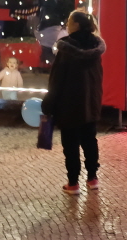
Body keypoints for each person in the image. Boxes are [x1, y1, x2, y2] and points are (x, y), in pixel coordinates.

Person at [42, 10, 106, 195]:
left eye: (69, 21)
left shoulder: (66, 48)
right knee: (89, 140)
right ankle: (93, 178)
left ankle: (73, 183)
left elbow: (56, 79)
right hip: (91, 102)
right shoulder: (96, 47)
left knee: (70, 144)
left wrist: (48, 103)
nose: (67, 24)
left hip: (69, 104)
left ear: (76, 25)